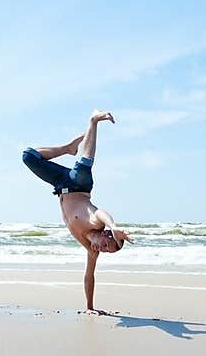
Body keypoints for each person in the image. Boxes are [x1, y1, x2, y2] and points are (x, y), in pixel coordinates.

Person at [22, 111, 133, 314]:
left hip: (60, 185)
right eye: (107, 244)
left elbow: (89, 276)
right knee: (86, 161)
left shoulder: (91, 248)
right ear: (106, 234)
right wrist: (114, 227)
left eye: (107, 251)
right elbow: (102, 213)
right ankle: (94, 121)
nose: (102, 249)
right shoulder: (95, 222)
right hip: (78, 184)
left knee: (28, 156)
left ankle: (68, 148)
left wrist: (90, 307)